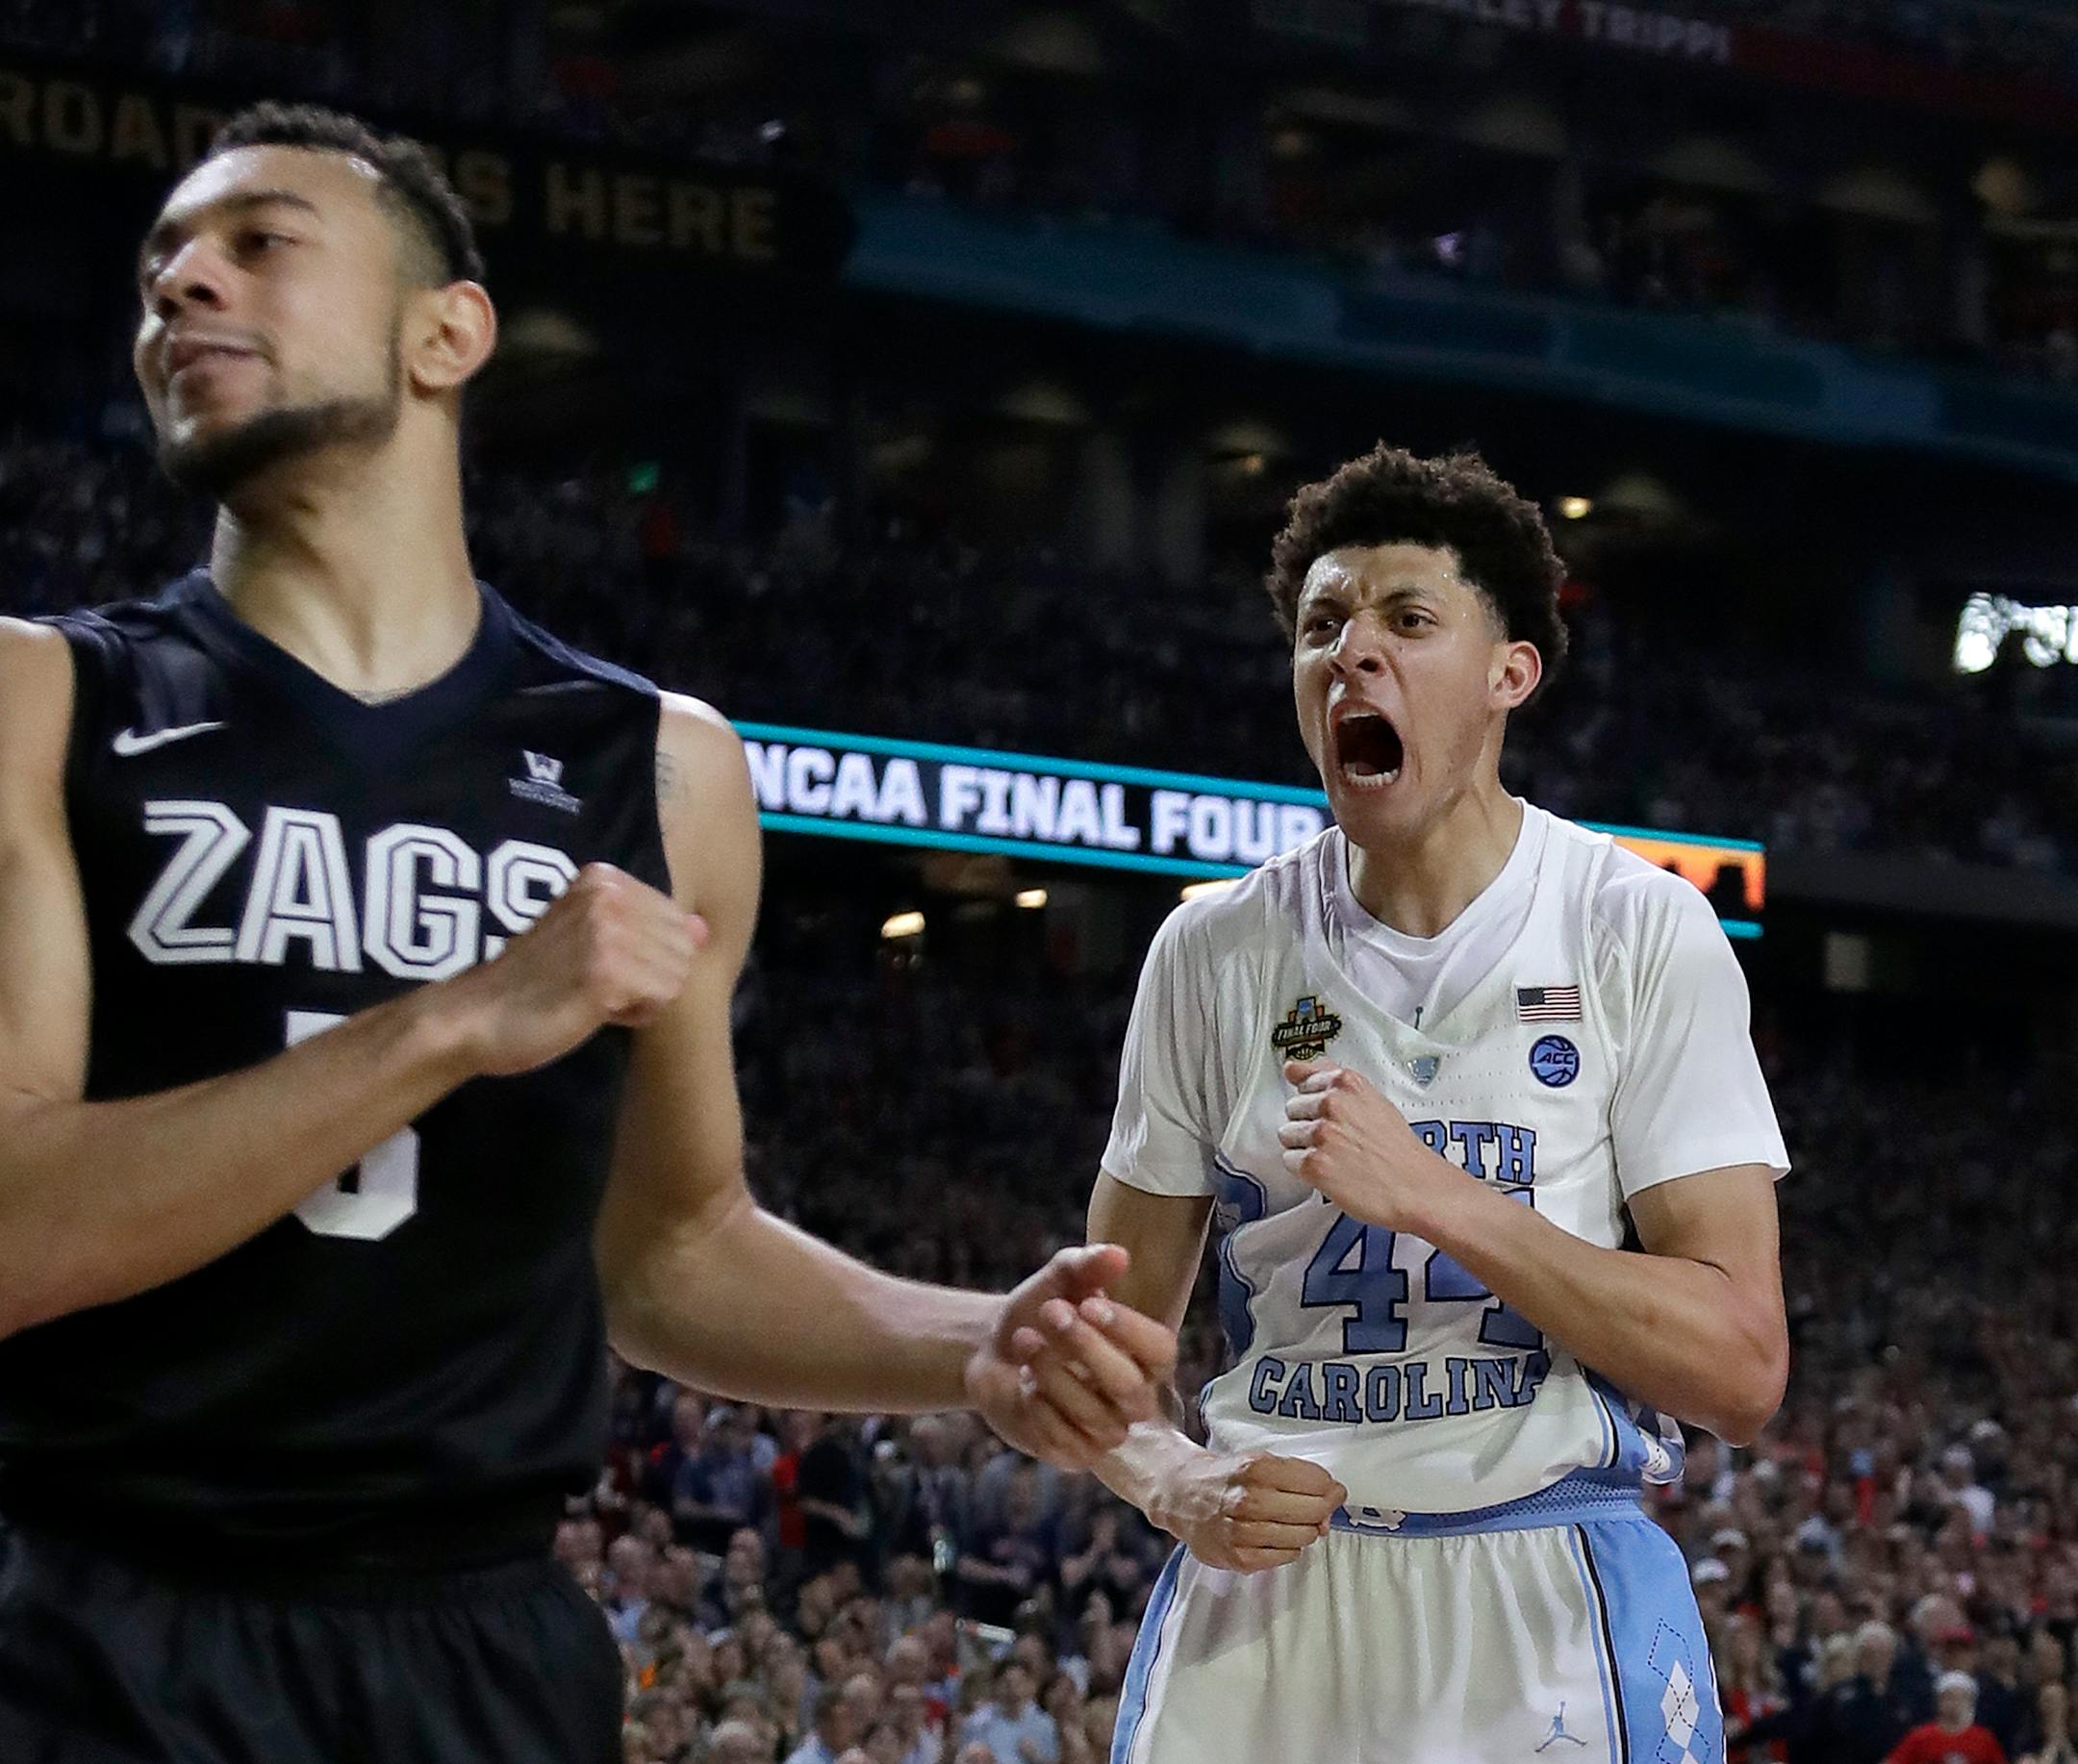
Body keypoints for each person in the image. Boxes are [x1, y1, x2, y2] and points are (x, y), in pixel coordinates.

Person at [0, 102, 1177, 1763]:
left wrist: (970, 1338)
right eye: (161, 265)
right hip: (100, 1626)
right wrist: (450, 1019)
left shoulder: (665, 767)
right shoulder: (39, 699)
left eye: (259, 243)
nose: (183, 284)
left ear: (447, 333)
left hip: (480, 1649)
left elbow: (669, 1247)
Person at [1059, 445, 1790, 1760]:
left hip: (1543, 1583)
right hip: (1267, 1591)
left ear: (1511, 673)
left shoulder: (1637, 928)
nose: (1352, 654)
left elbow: (1740, 1366)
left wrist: (1442, 1200)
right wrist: (1172, 1477)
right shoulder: (1211, 951)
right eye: (1323, 627)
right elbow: (1097, 1350)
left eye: (1407, 620)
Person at [1887, 1673, 2009, 1764]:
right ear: (1939, 1701)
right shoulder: (1920, 1737)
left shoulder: (1984, 1738)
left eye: (1961, 1698)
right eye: (1949, 1697)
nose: (1955, 1703)